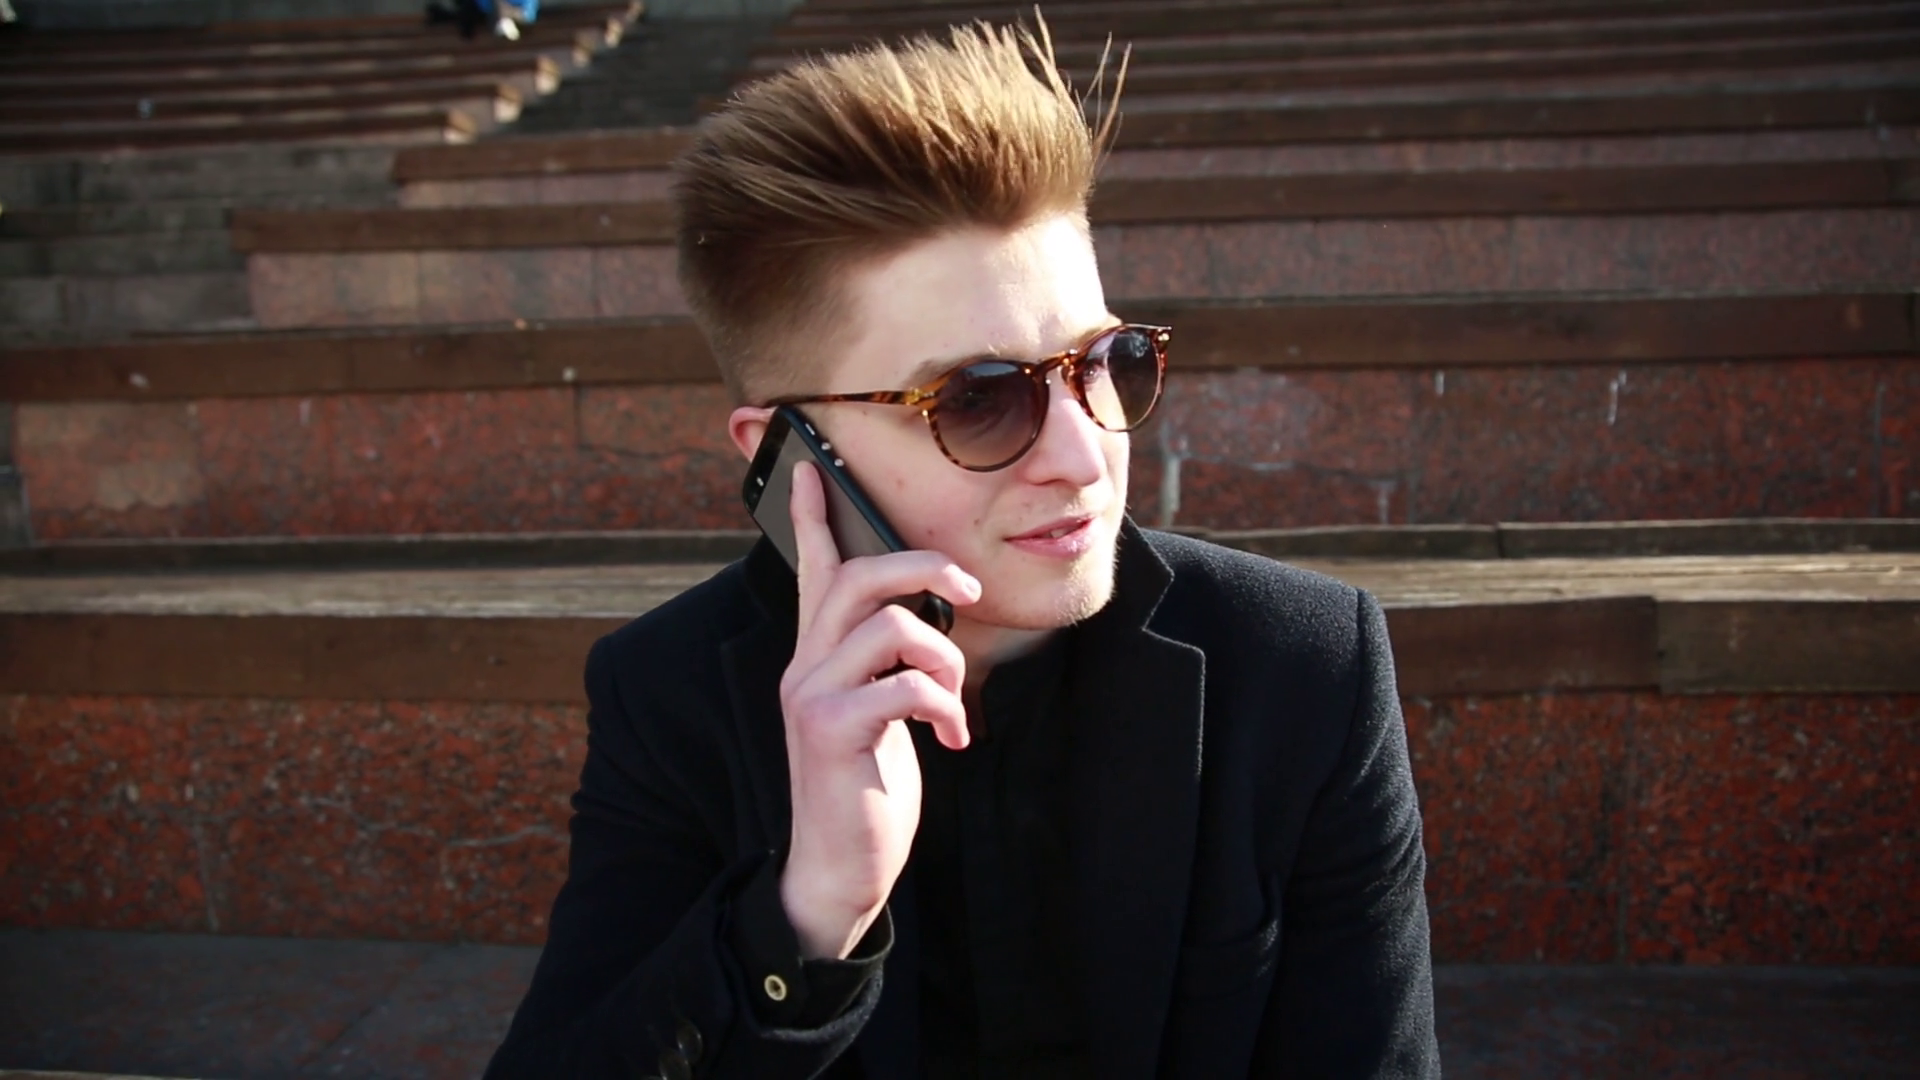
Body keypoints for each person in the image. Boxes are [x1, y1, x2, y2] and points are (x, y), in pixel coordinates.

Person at [486, 20, 1437, 1079]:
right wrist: (806, 918)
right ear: (791, 458)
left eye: (1105, 362)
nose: (1082, 454)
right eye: (978, 400)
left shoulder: (1301, 666)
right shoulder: (670, 696)